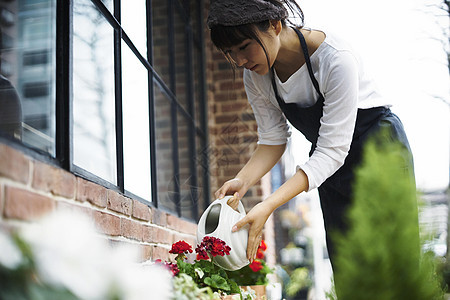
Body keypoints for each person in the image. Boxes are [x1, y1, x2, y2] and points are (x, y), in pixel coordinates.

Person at [208, 0, 414, 271]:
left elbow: (332, 150)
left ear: (275, 24)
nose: (240, 61)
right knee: (350, 268)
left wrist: (267, 205)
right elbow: (272, 139)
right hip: (331, 169)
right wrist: (242, 180)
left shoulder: (335, 58)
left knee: (394, 267)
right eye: (231, 52)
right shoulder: (257, 76)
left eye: (244, 46)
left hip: (379, 153)